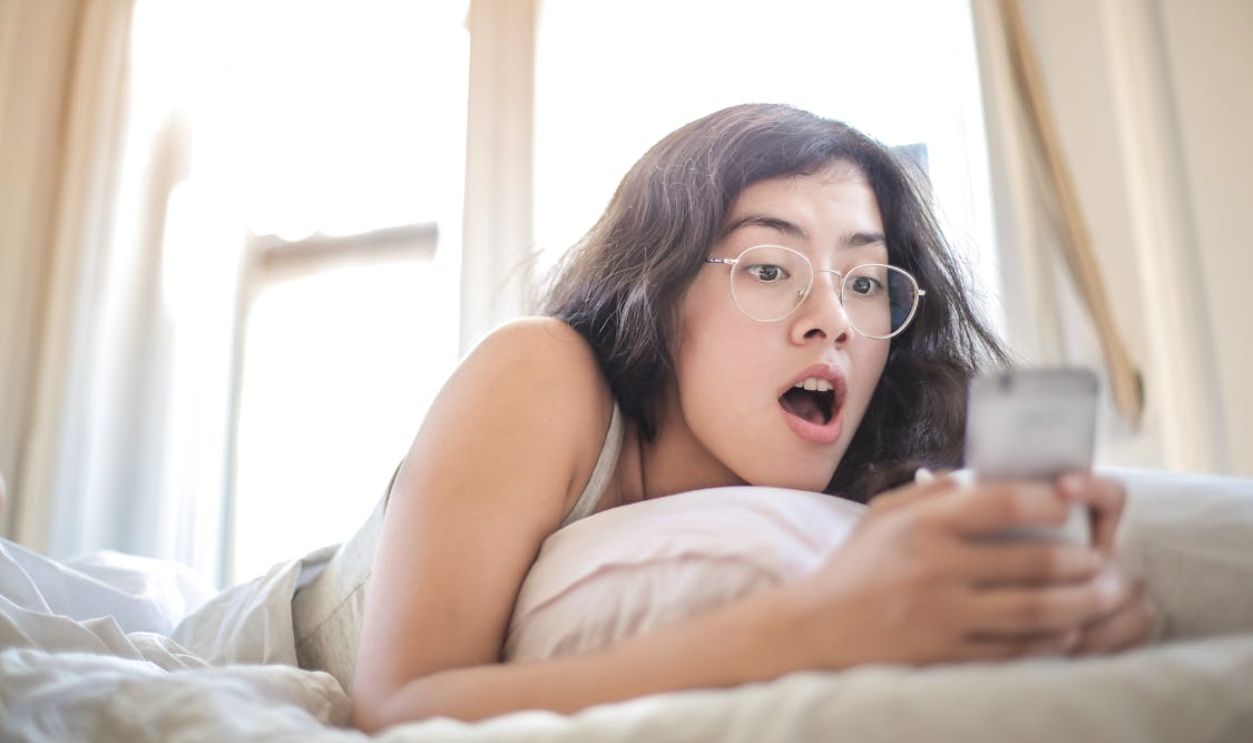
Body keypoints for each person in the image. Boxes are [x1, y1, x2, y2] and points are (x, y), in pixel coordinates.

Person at [345, 103, 1153, 731]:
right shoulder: (541, 372)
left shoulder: (873, 476)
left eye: (866, 281)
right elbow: (399, 706)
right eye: (770, 268)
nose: (832, 317)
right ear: (657, 292)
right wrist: (814, 627)